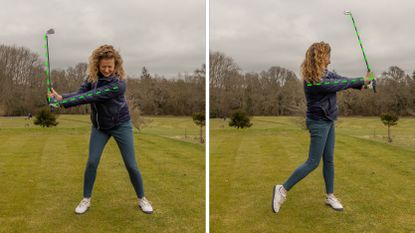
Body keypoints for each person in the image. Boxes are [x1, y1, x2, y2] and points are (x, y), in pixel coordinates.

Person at [48, 44, 153, 214]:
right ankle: (86, 199)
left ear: (116, 65)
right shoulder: (91, 79)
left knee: (131, 165)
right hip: (100, 127)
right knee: (92, 162)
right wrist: (61, 97)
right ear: (97, 65)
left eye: (110, 66)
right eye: (103, 66)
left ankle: (142, 198)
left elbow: (91, 96)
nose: (106, 69)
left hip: (121, 125)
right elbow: (80, 92)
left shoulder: (119, 84)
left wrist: (62, 102)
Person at [272, 41, 372, 213]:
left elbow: (341, 80)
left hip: (328, 119)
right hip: (318, 122)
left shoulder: (326, 73)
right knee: (312, 162)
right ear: (320, 57)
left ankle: (330, 196)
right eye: (328, 56)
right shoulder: (312, 81)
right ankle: (282, 189)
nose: (330, 60)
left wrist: (362, 84)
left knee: (329, 159)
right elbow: (334, 86)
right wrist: (361, 80)